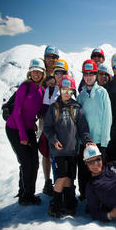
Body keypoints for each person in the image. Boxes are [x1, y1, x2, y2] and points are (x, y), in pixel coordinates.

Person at [44, 75, 94, 218]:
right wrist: (54, 140)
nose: (66, 93)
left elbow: (83, 128)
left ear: (73, 91)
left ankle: (69, 203)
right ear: (59, 89)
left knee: (70, 177)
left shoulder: (76, 107)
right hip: (58, 150)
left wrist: (87, 141)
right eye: (64, 90)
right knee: (61, 177)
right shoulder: (54, 108)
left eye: (69, 91)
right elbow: (47, 128)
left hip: (72, 150)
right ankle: (55, 204)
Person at [5, 58, 45, 205]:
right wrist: (22, 135)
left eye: (38, 72)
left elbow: (39, 109)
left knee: (34, 163)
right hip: (15, 129)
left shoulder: (41, 90)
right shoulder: (25, 87)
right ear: (29, 73)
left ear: (43, 74)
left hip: (28, 128)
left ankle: (29, 193)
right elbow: (17, 112)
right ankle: (24, 195)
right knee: (26, 162)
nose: (35, 74)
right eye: (33, 71)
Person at [76, 59, 112, 200]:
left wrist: (104, 141)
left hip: (98, 140)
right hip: (84, 142)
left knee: (98, 171)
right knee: (84, 171)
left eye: (92, 73)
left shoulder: (102, 93)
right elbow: (78, 120)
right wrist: (80, 140)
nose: (89, 76)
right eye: (86, 73)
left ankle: (99, 198)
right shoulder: (81, 96)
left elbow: (107, 117)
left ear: (96, 75)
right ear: (83, 76)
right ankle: (85, 196)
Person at [40, 59, 69, 194]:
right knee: (55, 163)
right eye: (57, 72)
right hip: (53, 135)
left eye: (62, 72)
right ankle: (59, 194)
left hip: (67, 135)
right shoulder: (50, 90)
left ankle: (66, 192)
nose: (59, 75)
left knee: (67, 166)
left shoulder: (69, 89)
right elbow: (45, 112)